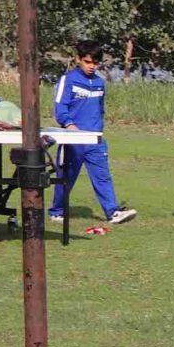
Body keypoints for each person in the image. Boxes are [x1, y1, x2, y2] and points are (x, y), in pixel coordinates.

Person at [50, 43, 136, 228]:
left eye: (95, 63)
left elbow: (100, 110)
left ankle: (113, 212)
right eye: (87, 62)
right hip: (73, 139)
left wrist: (99, 129)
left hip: (95, 139)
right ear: (78, 59)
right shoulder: (68, 80)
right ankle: (57, 211)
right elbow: (60, 108)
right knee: (66, 176)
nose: (91, 66)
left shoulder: (99, 83)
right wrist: (69, 125)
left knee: (102, 176)